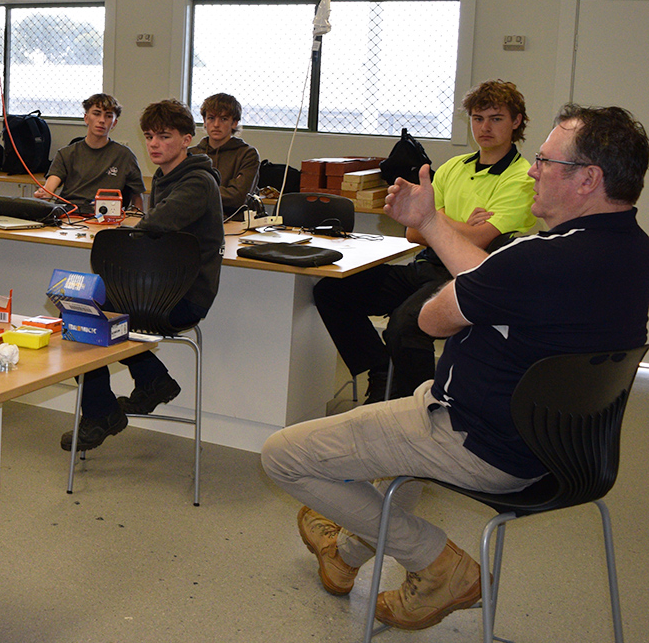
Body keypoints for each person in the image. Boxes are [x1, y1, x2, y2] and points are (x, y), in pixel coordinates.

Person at [262, 104, 649, 631]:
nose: (533, 172)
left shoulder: (537, 259)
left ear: (588, 179)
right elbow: (497, 281)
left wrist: (449, 252)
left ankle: (438, 564)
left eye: (545, 161)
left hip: (472, 438)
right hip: (567, 453)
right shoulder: (632, 253)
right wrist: (433, 226)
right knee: (396, 453)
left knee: (283, 456)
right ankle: (346, 553)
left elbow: (432, 320)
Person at [312, 80, 537, 404]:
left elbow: (479, 239)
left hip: (466, 275)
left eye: (496, 118)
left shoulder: (522, 178)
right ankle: (381, 371)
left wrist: (435, 219)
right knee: (332, 292)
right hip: (425, 265)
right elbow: (414, 232)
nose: (484, 127)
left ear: (516, 122)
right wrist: (455, 224)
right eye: (477, 118)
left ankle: (421, 406)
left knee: (406, 326)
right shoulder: (453, 167)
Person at [59, 99, 223, 451]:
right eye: (149, 136)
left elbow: (156, 224)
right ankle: (151, 381)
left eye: (164, 136)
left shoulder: (197, 182)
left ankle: (109, 409)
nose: (154, 144)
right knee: (80, 314)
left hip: (183, 299)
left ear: (187, 139)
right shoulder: (166, 177)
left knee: (86, 320)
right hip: (155, 290)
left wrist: (127, 234)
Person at [34, 93, 146, 218]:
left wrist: (136, 222)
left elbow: (137, 198)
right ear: (86, 118)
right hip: (69, 216)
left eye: (108, 116)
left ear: (114, 123)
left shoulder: (125, 156)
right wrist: (44, 194)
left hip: (105, 218)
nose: (102, 120)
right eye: (96, 114)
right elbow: (49, 188)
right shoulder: (66, 154)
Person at [189, 93, 261, 218]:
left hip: (234, 221)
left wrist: (196, 192)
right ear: (204, 121)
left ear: (234, 123)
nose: (216, 124)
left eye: (223, 119)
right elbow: (177, 193)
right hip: (195, 219)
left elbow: (238, 197)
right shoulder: (191, 154)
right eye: (211, 118)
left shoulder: (247, 154)